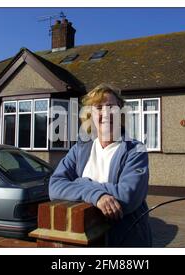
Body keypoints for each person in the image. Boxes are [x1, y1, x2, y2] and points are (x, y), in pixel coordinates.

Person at [49, 83, 152, 247]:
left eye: (111, 107)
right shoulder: (80, 149)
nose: (106, 113)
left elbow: (127, 196)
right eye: (98, 107)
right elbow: (54, 186)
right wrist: (96, 196)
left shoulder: (135, 150)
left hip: (125, 243)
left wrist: (80, 183)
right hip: (88, 241)